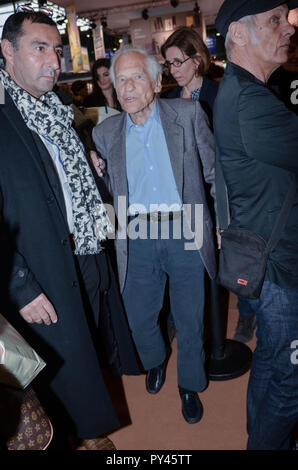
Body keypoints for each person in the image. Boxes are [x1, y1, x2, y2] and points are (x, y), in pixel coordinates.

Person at [0, 10, 139, 450]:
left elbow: (61, 175)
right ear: (7, 50)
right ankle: (74, 435)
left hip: (86, 250)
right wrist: (20, 286)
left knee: (87, 346)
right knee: (55, 363)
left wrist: (89, 162)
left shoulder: (56, 109)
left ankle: (87, 428)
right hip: (38, 269)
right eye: (39, 48)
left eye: (56, 50)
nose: (52, 61)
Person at [92, 45, 217, 424]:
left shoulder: (189, 114)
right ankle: (156, 360)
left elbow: (213, 174)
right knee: (139, 318)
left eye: (136, 77)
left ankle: (189, 385)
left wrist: (223, 225)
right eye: (121, 80)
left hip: (185, 228)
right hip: (135, 236)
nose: (128, 87)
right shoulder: (104, 133)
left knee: (191, 317)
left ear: (156, 81)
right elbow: (109, 194)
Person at [214, 0, 298, 449]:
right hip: (282, 264)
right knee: (291, 382)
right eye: (274, 20)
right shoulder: (250, 102)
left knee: (270, 361)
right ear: (239, 35)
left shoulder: (243, 91)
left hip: (270, 259)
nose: (287, 28)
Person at [160, 26, 218, 125]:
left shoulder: (218, 95)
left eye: (178, 62)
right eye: (169, 63)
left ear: (197, 60)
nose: (172, 70)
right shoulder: (166, 98)